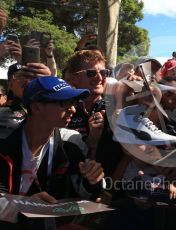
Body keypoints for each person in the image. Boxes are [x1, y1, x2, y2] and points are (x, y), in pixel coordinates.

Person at [0, 77, 104, 229]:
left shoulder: (71, 142)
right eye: (63, 103)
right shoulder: (4, 141)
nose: (73, 109)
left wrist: (92, 180)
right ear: (36, 107)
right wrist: (24, 206)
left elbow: (85, 195)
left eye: (73, 103)